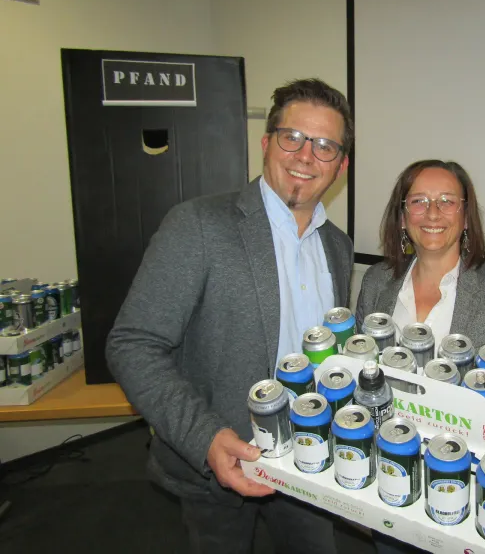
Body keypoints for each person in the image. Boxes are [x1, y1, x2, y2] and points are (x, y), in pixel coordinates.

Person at [106, 78, 355, 554]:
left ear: (340, 165)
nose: (306, 156)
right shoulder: (198, 225)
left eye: (325, 146)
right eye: (292, 137)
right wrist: (206, 438)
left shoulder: (338, 247)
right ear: (267, 144)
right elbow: (133, 343)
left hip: (311, 459)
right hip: (219, 465)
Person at [356, 159, 485, 365]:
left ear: (466, 218)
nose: (433, 214)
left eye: (447, 201)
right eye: (418, 201)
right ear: (402, 219)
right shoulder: (375, 281)